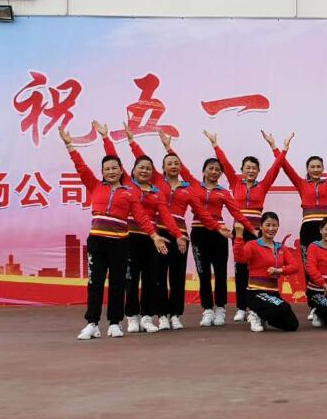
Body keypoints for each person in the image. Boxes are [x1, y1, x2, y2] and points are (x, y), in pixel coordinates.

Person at [59, 126, 170, 340]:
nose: (110, 171)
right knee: (95, 283)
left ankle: (115, 323)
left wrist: (154, 236)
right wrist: (69, 145)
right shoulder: (95, 186)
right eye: (107, 169)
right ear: (102, 172)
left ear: (121, 171)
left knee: (118, 284)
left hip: (120, 244)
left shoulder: (129, 193)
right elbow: (81, 166)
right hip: (97, 242)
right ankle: (92, 323)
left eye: (114, 168)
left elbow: (141, 217)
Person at [123, 125, 226, 331]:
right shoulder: (156, 182)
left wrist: (216, 227)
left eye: (176, 163)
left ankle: (175, 314)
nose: (173, 166)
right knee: (158, 276)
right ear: (161, 168)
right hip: (159, 234)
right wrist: (132, 142)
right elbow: (142, 161)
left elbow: (202, 212)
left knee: (177, 277)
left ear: (181, 168)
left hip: (181, 236)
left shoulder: (188, 189)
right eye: (169, 163)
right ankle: (161, 315)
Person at [96, 122, 188, 334]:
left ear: (153, 172)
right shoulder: (128, 185)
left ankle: (146, 316)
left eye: (148, 168)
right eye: (141, 168)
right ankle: (132, 316)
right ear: (133, 171)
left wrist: (178, 235)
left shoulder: (157, 193)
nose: (145, 171)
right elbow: (113, 159)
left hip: (151, 239)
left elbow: (166, 216)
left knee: (150, 279)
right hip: (129, 238)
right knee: (131, 278)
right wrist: (107, 138)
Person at [159, 132, 258, 328]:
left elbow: (237, 212)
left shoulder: (224, 192)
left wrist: (252, 229)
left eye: (217, 170)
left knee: (220, 272)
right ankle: (207, 310)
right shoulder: (193, 185)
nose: (214, 172)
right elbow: (179, 166)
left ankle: (220, 308)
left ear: (221, 174)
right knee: (203, 272)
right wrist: (168, 148)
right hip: (198, 233)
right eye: (210, 168)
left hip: (219, 234)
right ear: (203, 171)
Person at [204, 129, 288, 322]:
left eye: (254, 168)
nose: (251, 171)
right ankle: (242, 307)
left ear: (258, 171)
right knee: (240, 269)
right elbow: (224, 164)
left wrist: (277, 147)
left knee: (257, 270)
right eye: (247, 168)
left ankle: (255, 308)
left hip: (258, 233)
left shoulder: (263, 185)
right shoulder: (235, 183)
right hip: (240, 232)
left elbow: (276, 167)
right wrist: (215, 145)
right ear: (242, 170)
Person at [275, 132, 327, 321]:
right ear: (308, 169)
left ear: (323, 168)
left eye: (319, 166)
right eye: (312, 166)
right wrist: (280, 149)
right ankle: (314, 305)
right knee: (309, 266)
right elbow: (285, 167)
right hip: (308, 228)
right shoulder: (301, 183)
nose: (316, 169)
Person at [232, 213, 300, 332]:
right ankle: (254, 313)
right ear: (261, 227)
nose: (271, 228)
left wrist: (280, 270)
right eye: (268, 225)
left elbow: (295, 267)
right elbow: (240, 258)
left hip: (273, 293)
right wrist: (238, 236)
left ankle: (262, 315)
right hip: (256, 292)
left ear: (278, 227)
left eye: (274, 225)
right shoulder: (252, 245)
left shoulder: (280, 247)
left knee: (292, 325)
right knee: (283, 307)